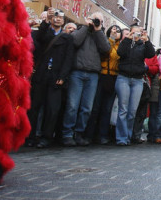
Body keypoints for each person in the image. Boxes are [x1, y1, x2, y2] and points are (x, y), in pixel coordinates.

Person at [28, 9, 76, 148]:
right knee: (34, 106)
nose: (58, 19)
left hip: (56, 76)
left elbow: (68, 58)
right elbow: (39, 38)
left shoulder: (67, 37)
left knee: (52, 108)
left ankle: (46, 137)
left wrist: (63, 76)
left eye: (61, 17)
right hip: (41, 74)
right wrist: (46, 21)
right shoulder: (44, 33)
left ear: (64, 21)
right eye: (56, 16)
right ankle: (30, 136)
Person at [62, 12, 110, 147]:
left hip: (93, 74)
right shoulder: (80, 30)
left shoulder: (100, 34)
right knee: (72, 105)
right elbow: (75, 41)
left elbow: (105, 48)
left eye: (99, 20)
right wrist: (85, 26)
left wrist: (98, 30)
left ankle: (79, 133)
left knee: (87, 108)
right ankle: (67, 134)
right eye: (95, 19)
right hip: (77, 72)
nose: (96, 22)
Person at [115, 25, 156, 146]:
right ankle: (121, 138)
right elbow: (120, 53)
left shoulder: (142, 46)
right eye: (134, 33)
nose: (136, 35)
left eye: (138, 33)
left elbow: (151, 54)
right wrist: (127, 39)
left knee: (132, 110)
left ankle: (128, 136)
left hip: (137, 80)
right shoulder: (125, 43)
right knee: (123, 109)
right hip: (123, 78)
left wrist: (147, 40)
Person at [86, 25, 123, 145]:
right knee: (95, 106)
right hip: (102, 75)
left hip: (113, 77)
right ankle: (89, 134)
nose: (115, 32)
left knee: (107, 108)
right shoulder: (105, 42)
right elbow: (105, 52)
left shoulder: (121, 47)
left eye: (118, 31)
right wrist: (111, 40)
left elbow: (117, 57)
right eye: (113, 30)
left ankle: (102, 134)